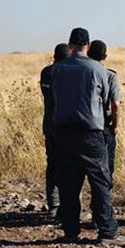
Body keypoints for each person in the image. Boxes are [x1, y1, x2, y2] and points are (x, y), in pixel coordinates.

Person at [52, 28, 124, 245]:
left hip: (64, 133)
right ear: (89, 44)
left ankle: (70, 231)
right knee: (100, 182)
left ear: (70, 44)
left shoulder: (57, 69)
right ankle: (107, 232)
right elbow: (106, 102)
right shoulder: (98, 69)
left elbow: (54, 97)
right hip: (91, 133)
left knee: (69, 184)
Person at [39, 43, 71, 217]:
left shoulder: (46, 72)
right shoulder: (68, 72)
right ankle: (70, 206)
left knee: (53, 164)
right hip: (66, 126)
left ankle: (54, 203)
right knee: (70, 166)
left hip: (50, 125)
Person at [88, 40, 120, 178]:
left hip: (84, 123)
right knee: (106, 166)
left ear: (88, 53)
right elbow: (115, 104)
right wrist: (116, 125)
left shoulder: (83, 71)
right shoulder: (110, 75)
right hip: (104, 124)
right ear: (105, 56)